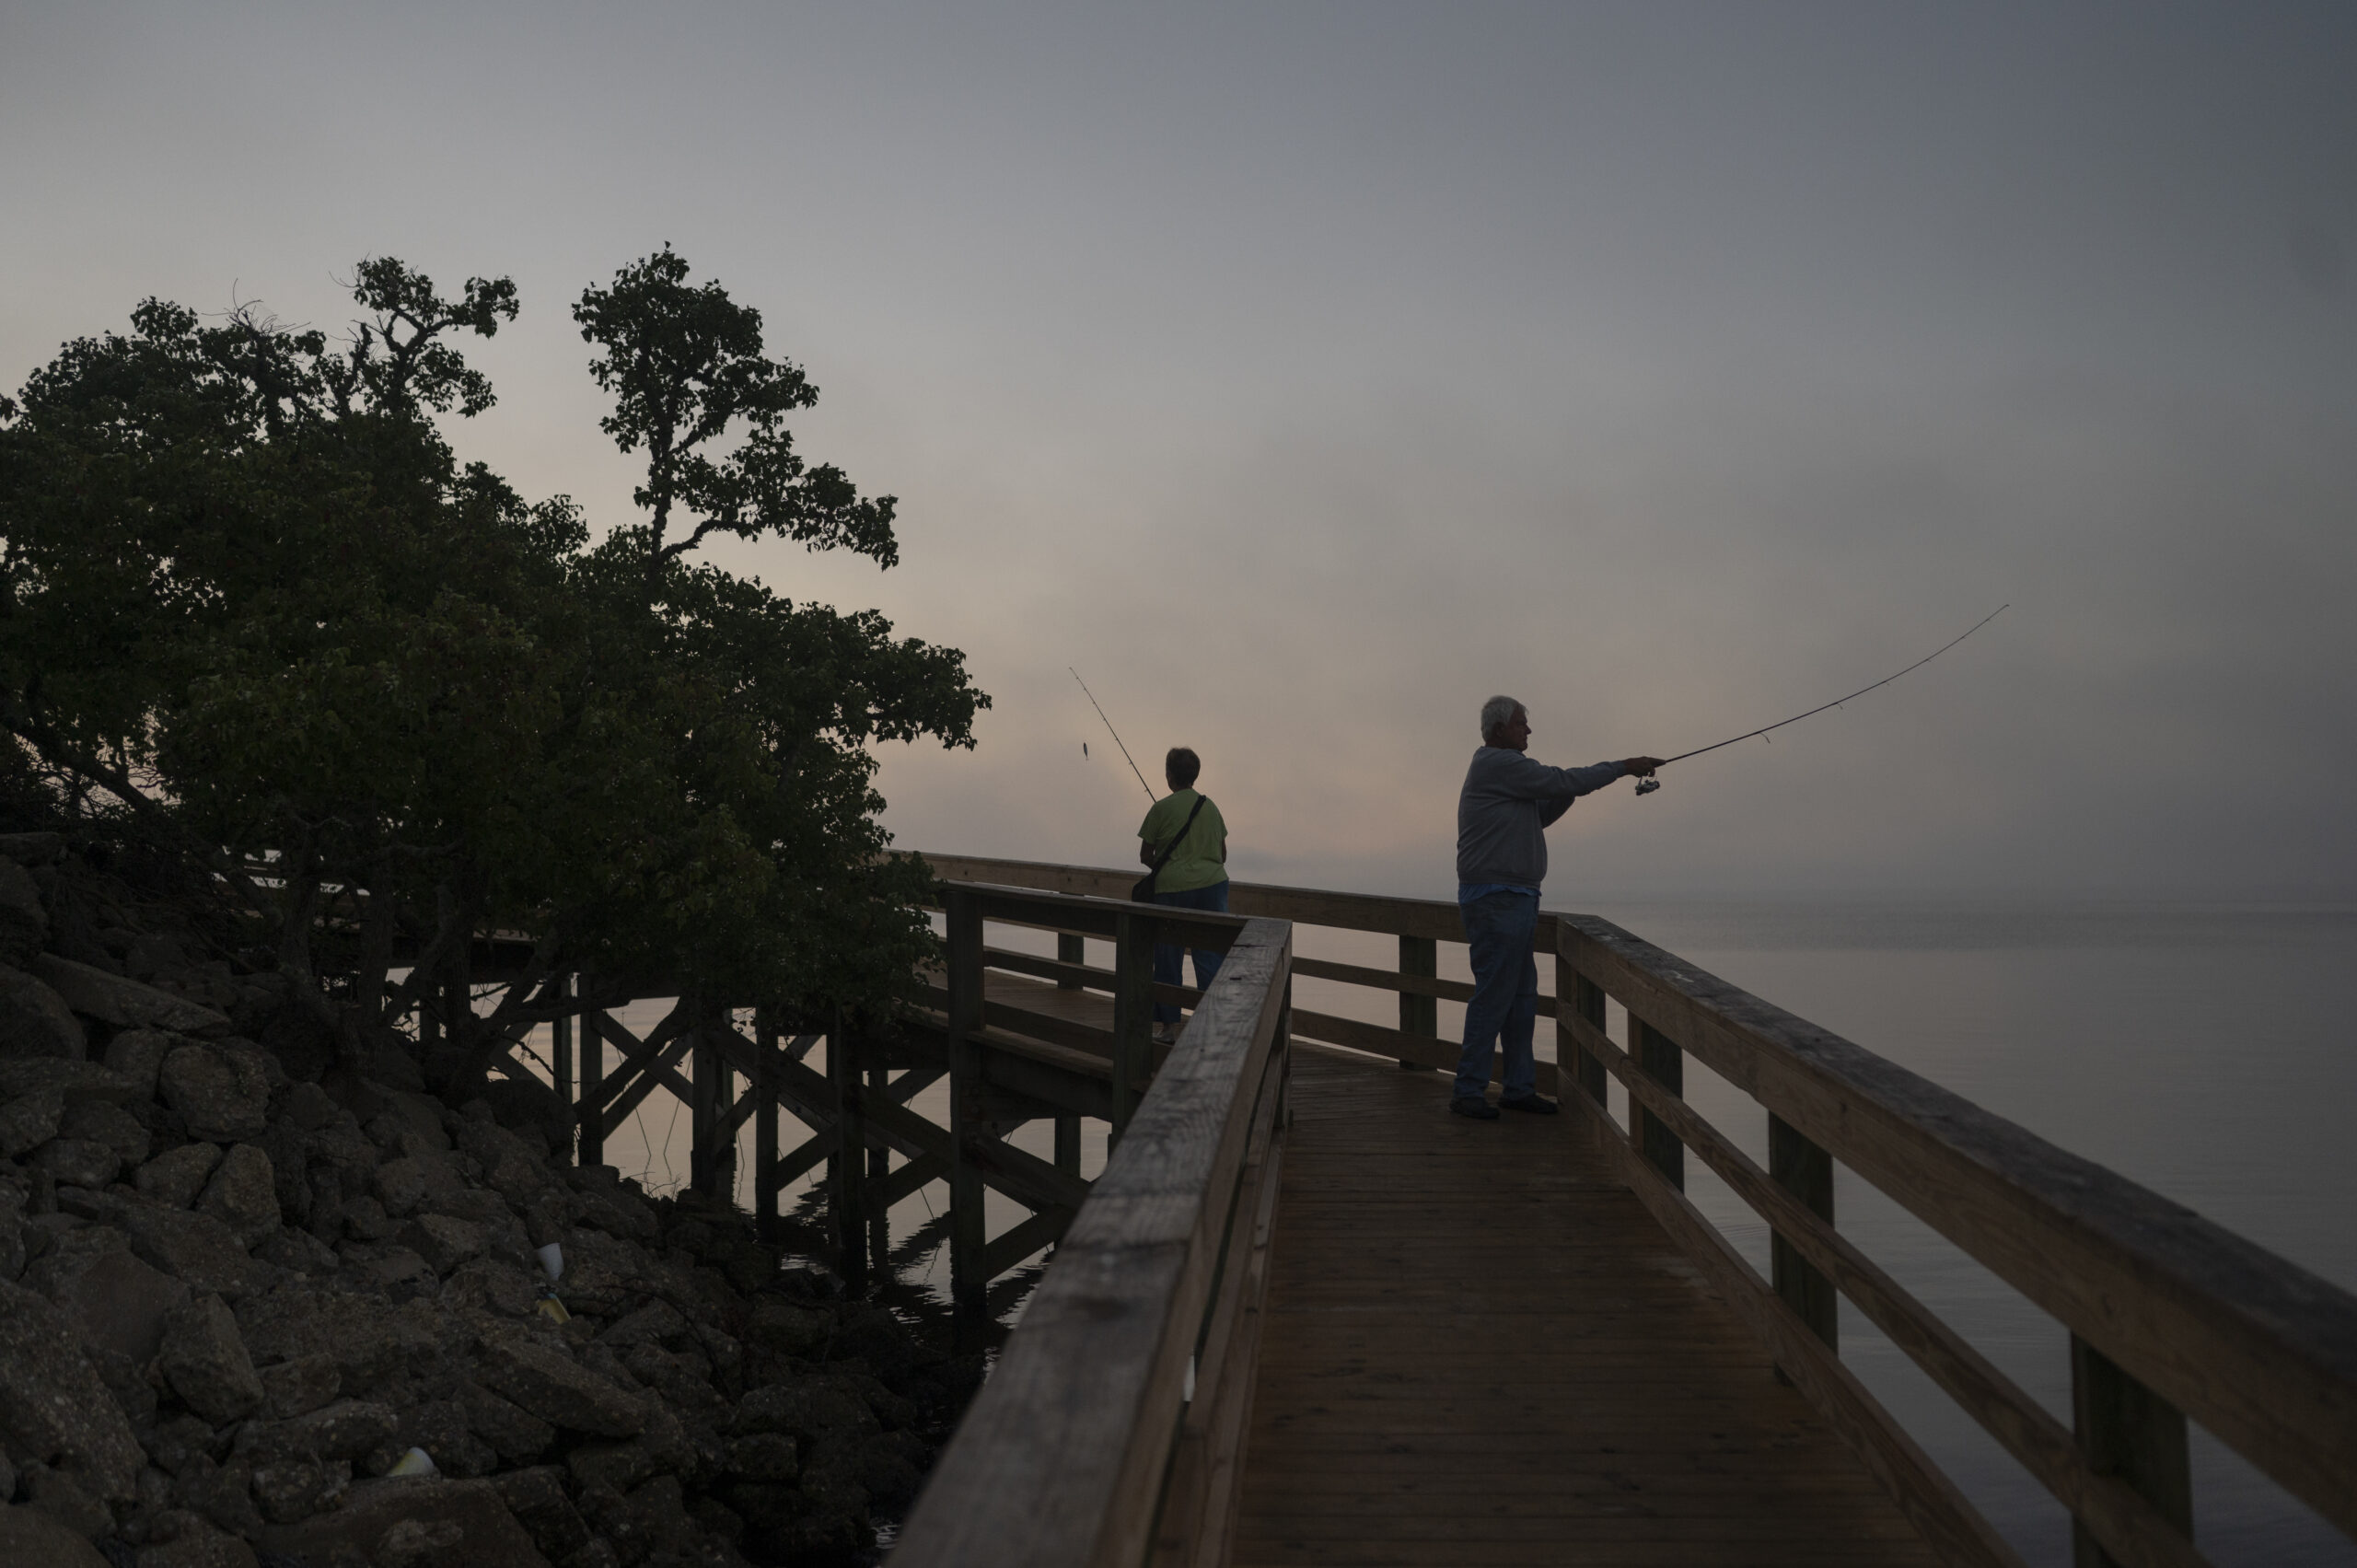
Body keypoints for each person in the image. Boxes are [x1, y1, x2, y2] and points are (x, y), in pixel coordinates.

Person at [1453, 696, 1660, 1120]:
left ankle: (1517, 1088)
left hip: (1517, 898)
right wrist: (1621, 767)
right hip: (1497, 898)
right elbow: (1561, 781)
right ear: (1498, 730)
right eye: (1521, 724)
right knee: (1494, 996)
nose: (1528, 730)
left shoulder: (1507, 777)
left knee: (1521, 998)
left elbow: (1543, 811)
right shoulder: (1497, 764)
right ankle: (1467, 1092)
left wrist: (1571, 790)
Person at [1138, 747, 1230, 1045]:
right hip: (1212, 887)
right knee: (1210, 955)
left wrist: (1170, 867)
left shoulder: (1160, 809)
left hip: (1172, 891)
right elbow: (1222, 854)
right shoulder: (1211, 807)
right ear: (1196, 774)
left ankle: (1168, 1029)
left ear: (1168, 776)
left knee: (1168, 956)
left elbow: (1145, 855)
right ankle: (1212, 1026)